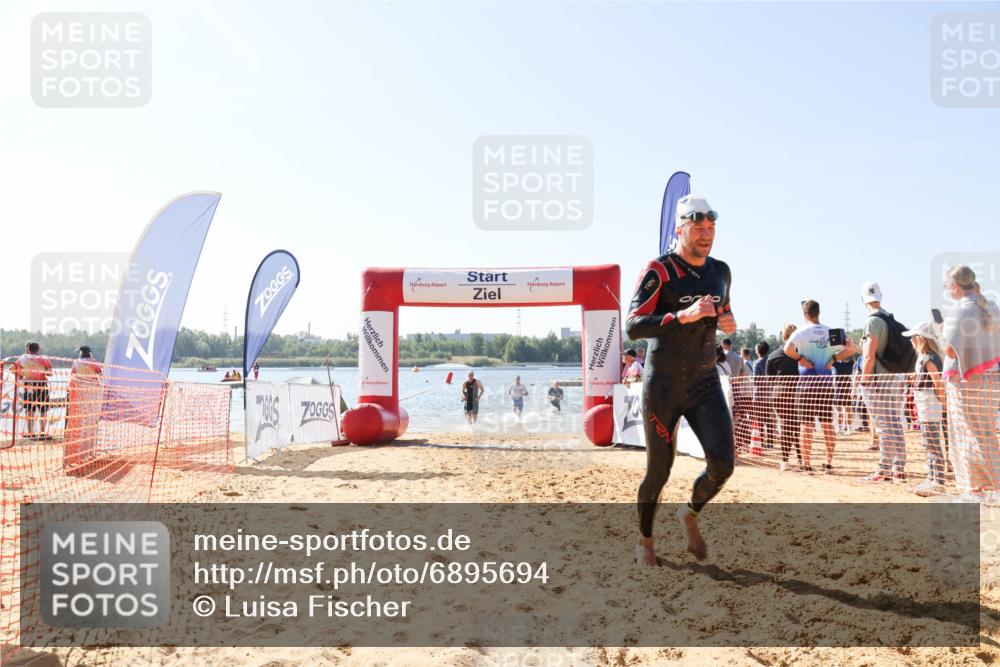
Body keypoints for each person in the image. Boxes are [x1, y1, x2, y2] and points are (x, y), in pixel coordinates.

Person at [627, 194, 736, 564]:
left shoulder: (721, 271)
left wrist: (727, 321)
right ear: (680, 229)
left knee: (723, 464)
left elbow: (724, 308)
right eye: (698, 227)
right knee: (659, 472)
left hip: (705, 381)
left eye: (711, 228)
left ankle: (688, 514)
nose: (706, 234)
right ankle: (645, 541)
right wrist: (681, 316)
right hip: (663, 386)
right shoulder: (659, 270)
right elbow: (633, 327)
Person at [939, 265, 1000, 498]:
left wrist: (939, 331)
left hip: (967, 381)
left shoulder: (960, 310)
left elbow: (951, 351)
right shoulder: (991, 306)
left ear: (955, 287)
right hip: (991, 377)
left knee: (966, 434)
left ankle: (979, 487)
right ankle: (982, 487)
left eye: (947, 286)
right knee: (984, 433)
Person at [783, 300, 859, 473]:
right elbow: (851, 348)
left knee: (806, 425)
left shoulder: (801, 332)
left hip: (807, 385)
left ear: (804, 314)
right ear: (819, 313)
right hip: (825, 384)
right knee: (827, 424)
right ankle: (829, 462)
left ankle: (806, 463)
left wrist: (800, 359)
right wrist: (833, 359)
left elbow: (787, 349)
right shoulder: (830, 331)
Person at [858, 282, 911, 483]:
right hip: (895, 377)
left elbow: (869, 356)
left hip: (878, 381)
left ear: (863, 300)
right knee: (894, 422)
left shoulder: (872, 322)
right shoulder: (889, 318)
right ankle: (899, 467)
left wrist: (864, 382)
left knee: (882, 426)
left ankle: (884, 469)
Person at [902, 321, 947, 496]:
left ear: (921, 339)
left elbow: (937, 382)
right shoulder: (926, 357)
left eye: (914, 337)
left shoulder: (930, 357)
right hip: (925, 405)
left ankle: (938, 482)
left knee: (932, 443)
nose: (911, 340)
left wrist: (942, 403)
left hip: (930, 405)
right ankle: (932, 477)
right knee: (928, 443)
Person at [766, 324, 803, 471]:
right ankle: (799, 459)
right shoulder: (801, 354)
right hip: (797, 391)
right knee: (795, 425)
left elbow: (769, 378)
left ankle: (786, 460)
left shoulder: (774, 355)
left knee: (786, 425)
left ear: (783, 336)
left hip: (778, 392)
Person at [13, 341, 53, 440]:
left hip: (29, 385)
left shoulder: (22, 358)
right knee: (43, 410)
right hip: (42, 385)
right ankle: (43, 432)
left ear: (28, 349)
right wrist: (41, 371)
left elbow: (11, 369)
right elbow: (50, 373)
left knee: (30, 409)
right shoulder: (44, 358)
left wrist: (22, 374)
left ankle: (31, 433)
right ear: (38, 349)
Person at [751, 341, 774, 451]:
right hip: (769, 395)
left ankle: (760, 442)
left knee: (759, 420)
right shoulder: (770, 361)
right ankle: (770, 442)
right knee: (768, 420)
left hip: (759, 395)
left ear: (758, 351)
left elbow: (756, 380)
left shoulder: (757, 363)